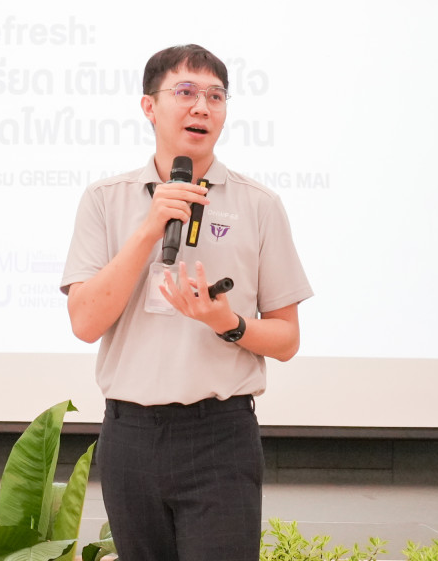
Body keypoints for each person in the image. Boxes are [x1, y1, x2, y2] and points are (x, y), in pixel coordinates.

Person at [60, 44, 314, 561]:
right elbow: (85, 323)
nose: (202, 107)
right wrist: (149, 228)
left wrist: (228, 322)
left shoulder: (259, 205)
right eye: (186, 92)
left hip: (219, 435)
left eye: (216, 96)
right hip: (130, 435)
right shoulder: (105, 200)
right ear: (149, 107)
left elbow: (287, 339)